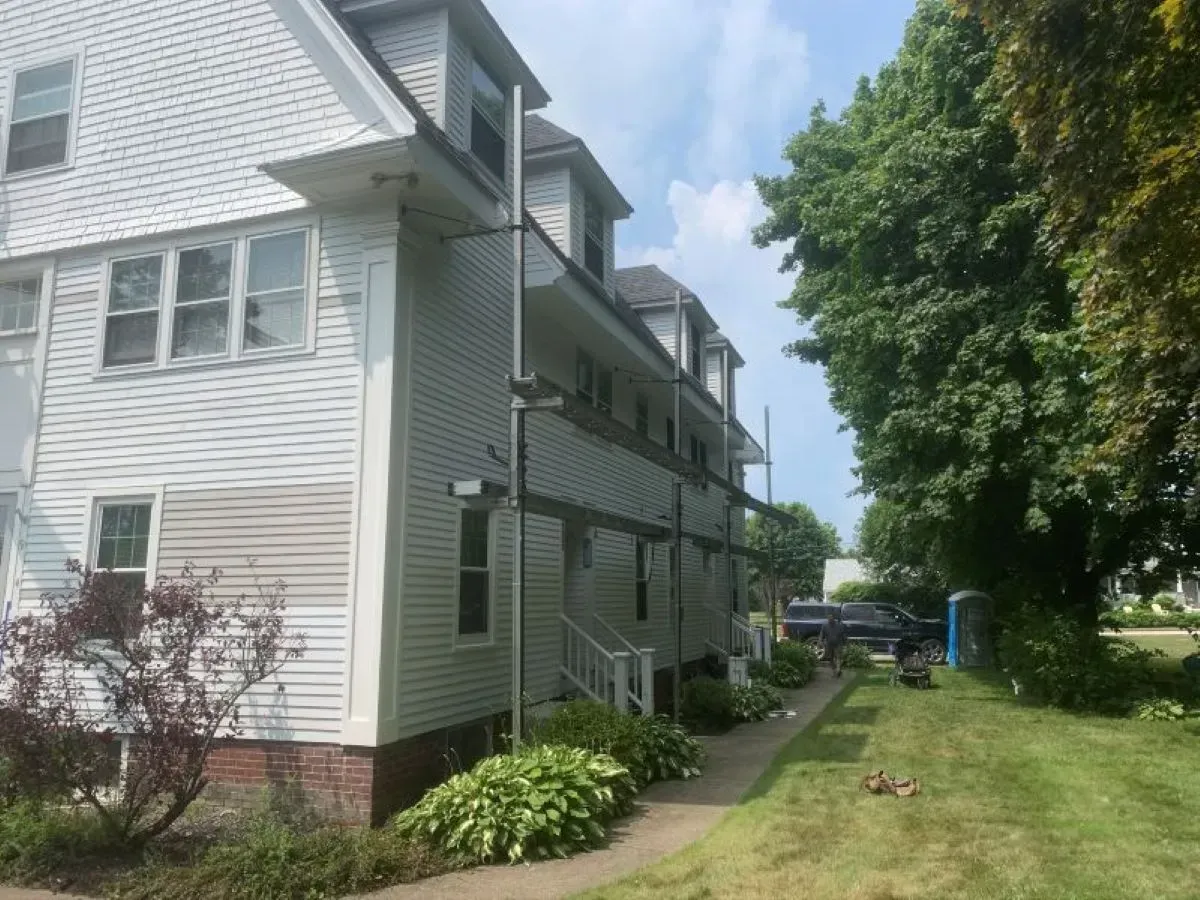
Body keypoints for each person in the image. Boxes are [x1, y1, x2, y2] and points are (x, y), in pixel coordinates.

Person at [819, 613, 847, 677]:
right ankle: (834, 671)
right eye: (829, 618)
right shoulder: (825, 626)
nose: (830, 619)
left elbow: (843, 635)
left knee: (838, 656)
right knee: (830, 658)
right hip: (829, 644)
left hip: (838, 643)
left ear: (834, 619)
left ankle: (838, 669)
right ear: (827, 619)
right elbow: (821, 635)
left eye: (831, 618)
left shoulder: (839, 626)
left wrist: (845, 643)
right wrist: (820, 641)